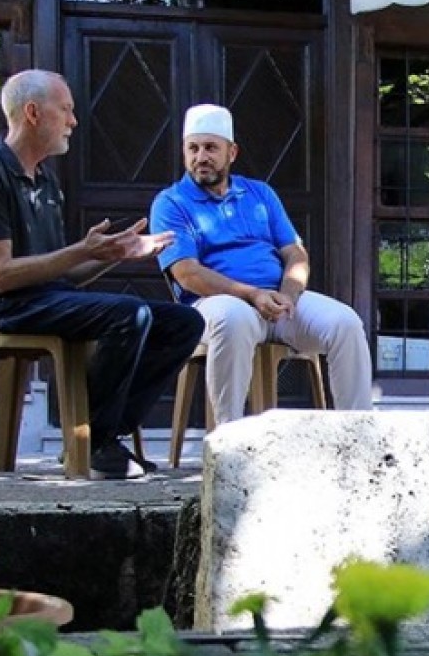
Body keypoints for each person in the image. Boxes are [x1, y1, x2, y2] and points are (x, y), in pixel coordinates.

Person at [0, 69, 205, 481]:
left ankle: (100, 432)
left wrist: (114, 254)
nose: (73, 121)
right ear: (32, 112)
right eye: (65, 109)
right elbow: (0, 276)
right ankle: (93, 442)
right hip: (9, 308)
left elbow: (65, 274)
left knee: (184, 322)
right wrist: (81, 250)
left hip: (48, 298)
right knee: (131, 314)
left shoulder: (45, 178)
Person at [150, 104, 372, 422]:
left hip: (277, 301)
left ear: (232, 152)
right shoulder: (171, 203)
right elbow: (187, 274)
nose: (201, 157)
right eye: (193, 148)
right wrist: (252, 295)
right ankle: (229, 441)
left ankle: (358, 433)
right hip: (215, 303)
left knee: (345, 323)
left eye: (211, 148)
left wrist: (289, 295)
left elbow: (295, 253)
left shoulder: (260, 194)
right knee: (233, 317)